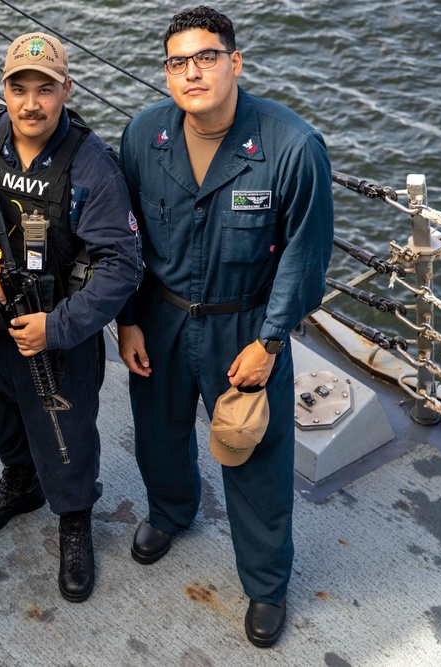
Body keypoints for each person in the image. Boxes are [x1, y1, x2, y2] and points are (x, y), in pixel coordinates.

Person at [116, 6, 334, 648]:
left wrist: (269, 344)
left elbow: (304, 255)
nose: (193, 72)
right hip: (159, 315)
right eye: (178, 62)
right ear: (166, 74)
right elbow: (124, 240)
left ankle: (266, 584)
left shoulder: (292, 146)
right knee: (157, 432)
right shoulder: (143, 136)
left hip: (245, 324)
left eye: (206, 57)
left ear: (234, 63)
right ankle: (170, 513)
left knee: (255, 456)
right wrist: (127, 321)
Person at [0, 32, 142, 603]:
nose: (31, 103)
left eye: (45, 89)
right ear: (5, 89)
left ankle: (74, 516)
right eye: (19, 88)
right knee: (3, 409)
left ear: (66, 90)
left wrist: (56, 327)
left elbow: (120, 263)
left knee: (65, 428)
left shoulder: (92, 165)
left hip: (56, 333)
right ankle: (20, 482)